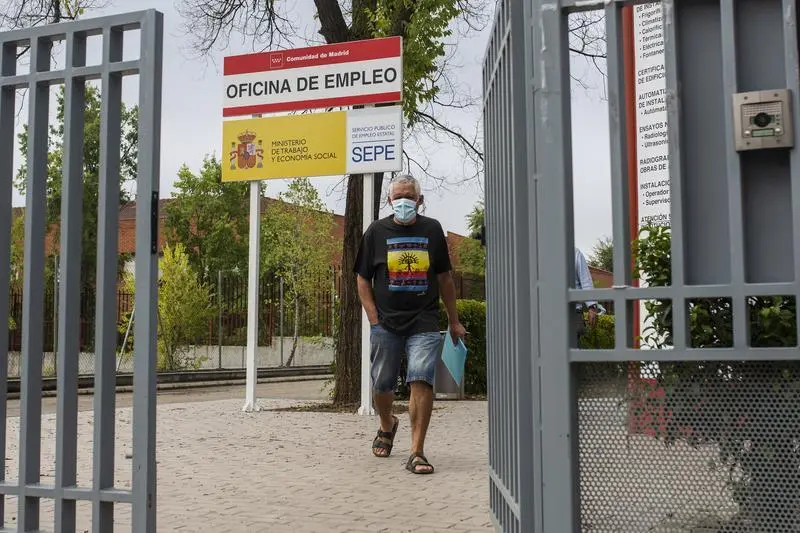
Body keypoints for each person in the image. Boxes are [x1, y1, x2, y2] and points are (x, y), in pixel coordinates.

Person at [354, 173, 467, 475]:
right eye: (398, 197)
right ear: (389, 200)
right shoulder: (376, 231)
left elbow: (444, 278)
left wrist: (454, 321)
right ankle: (387, 424)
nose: (403, 202)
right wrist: (374, 318)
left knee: (421, 379)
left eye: (409, 197)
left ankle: (416, 452)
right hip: (386, 323)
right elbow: (362, 278)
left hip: (424, 320)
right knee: (382, 384)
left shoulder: (432, 230)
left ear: (419, 200)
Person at [574, 247, 600, 341]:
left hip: (573, 312)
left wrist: (592, 307)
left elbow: (586, 281)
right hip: (547, 312)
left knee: (571, 346)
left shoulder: (575, 252)